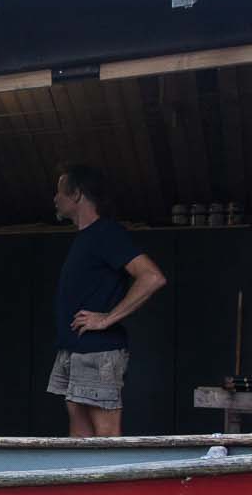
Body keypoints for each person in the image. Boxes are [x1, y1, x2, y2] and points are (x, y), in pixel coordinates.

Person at [48, 164, 167, 437]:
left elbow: (152, 277)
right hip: (75, 348)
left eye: (59, 192)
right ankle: (80, 480)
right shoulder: (85, 238)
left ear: (76, 194)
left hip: (98, 351)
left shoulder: (106, 233)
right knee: (79, 429)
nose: (55, 198)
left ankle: (113, 481)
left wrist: (107, 318)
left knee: (105, 433)